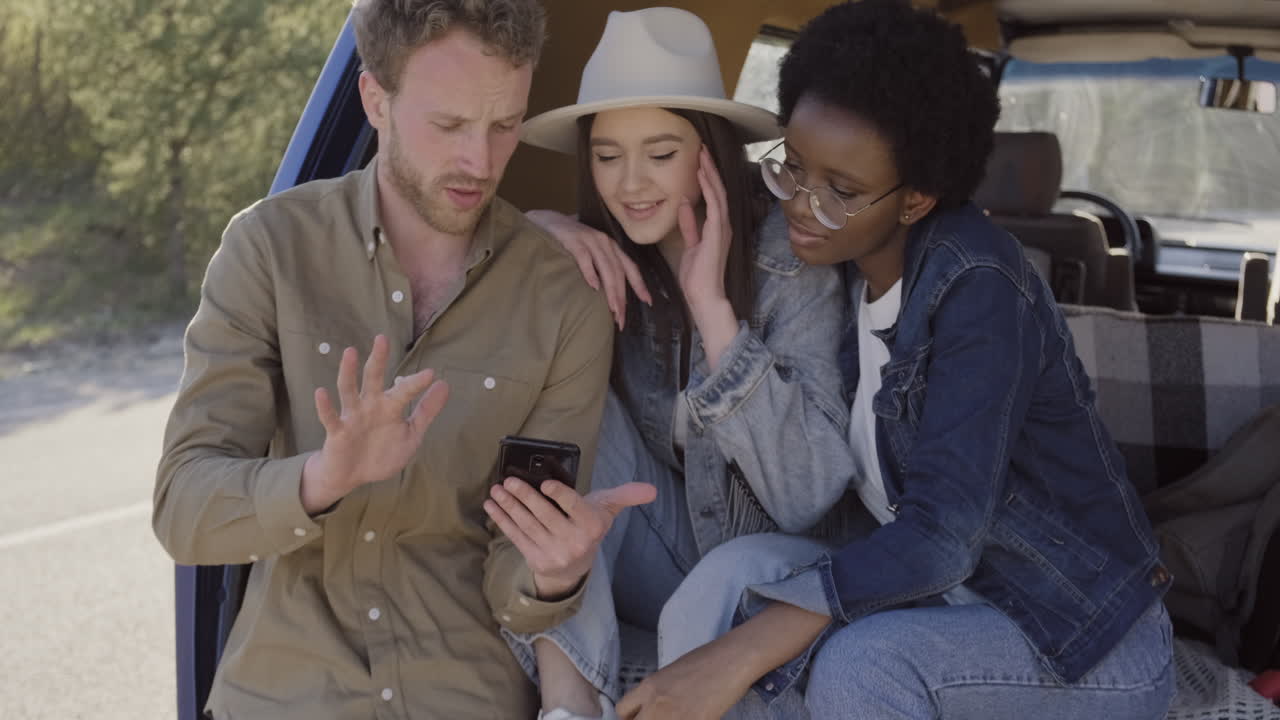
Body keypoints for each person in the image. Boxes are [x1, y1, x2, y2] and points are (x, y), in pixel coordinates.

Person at [618, 2, 1176, 719]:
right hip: (942, 598)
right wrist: (554, 231)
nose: (800, 205)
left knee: (861, 663)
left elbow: (940, 538)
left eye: (841, 191)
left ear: (915, 199)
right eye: (792, 167)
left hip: (1078, 636)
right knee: (728, 577)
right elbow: (672, 199)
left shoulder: (979, 289)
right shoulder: (839, 238)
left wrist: (746, 650)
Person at [151, 2, 654, 718]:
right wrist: (324, 478)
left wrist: (555, 572)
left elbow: (518, 581)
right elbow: (183, 509)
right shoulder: (268, 250)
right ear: (374, 100)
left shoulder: (561, 303)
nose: (481, 162)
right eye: (449, 126)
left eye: (504, 125)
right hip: (283, 696)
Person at [499, 7, 859, 720]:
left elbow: (808, 496)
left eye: (660, 154)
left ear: (710, 153)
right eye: (606, 156)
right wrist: (532, 231)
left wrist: (715, 318)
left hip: (775, 587)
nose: (630, 182)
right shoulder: (599, 258)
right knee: (563, 406)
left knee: (719, 578)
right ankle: (570, 705)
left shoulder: (790, 262)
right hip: (668, 551)